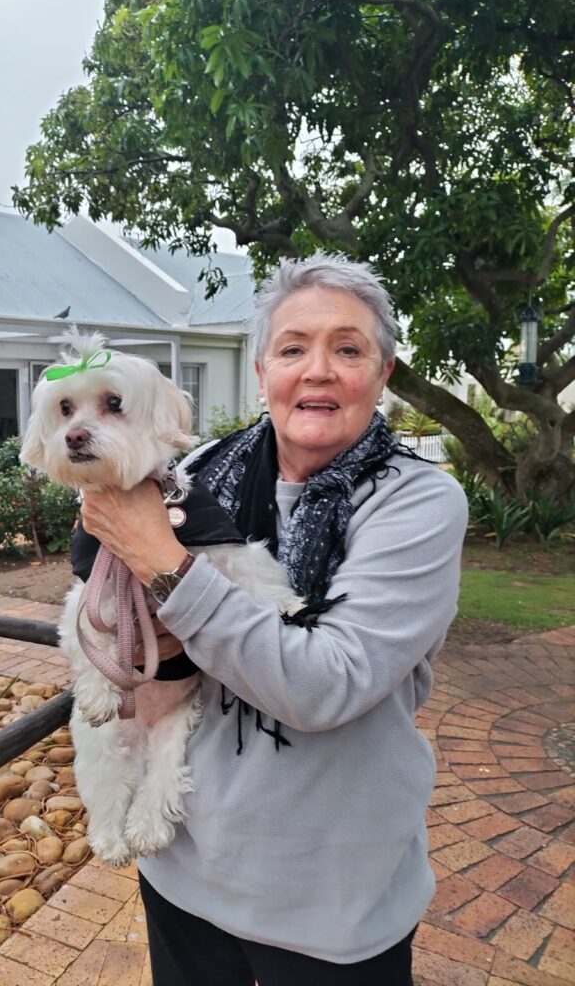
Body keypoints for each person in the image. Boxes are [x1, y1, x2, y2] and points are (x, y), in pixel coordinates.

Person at [79, 250, 468, 986]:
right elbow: (109, 618)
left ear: (382, 374)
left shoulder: (416, 503)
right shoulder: (202, 470)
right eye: (293, 348)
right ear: (262, 371)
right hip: (183, 873)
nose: (317, 370)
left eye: (347, 349)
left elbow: (326, 685)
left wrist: (164, 561)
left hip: (329, 906)